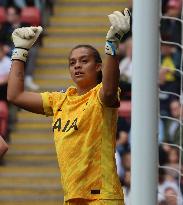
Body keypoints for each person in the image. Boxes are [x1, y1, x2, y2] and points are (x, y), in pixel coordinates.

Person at [7, 8, 130, 205]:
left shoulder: (102, 95)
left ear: (98, 66)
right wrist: (20, 52)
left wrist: (112, 45)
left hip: (103, 197)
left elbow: (108, 91)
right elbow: (15, 95)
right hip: (72, 198)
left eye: (84, 61)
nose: (77, 66)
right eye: (72, 63)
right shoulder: (60, 100)